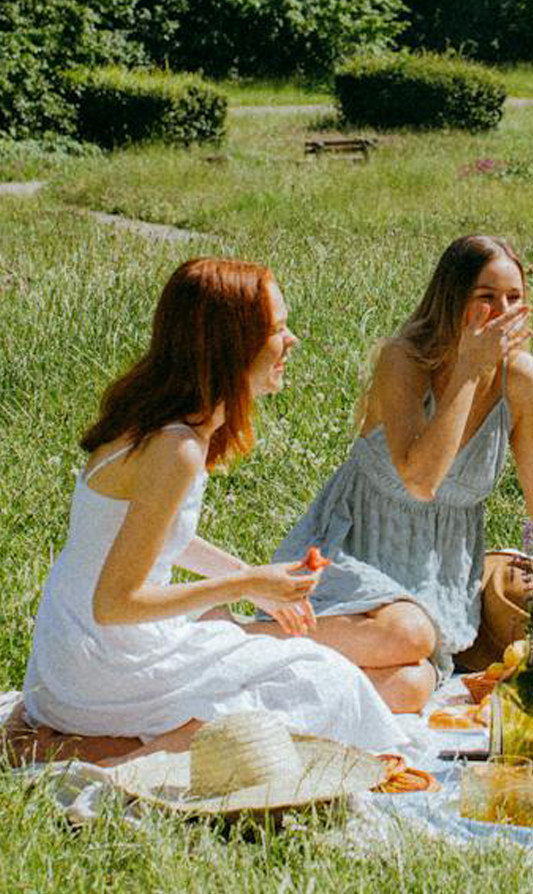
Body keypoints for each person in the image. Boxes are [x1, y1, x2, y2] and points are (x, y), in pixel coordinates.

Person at [21, 258, 402, 761]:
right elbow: (115, 603)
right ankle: (105, 759)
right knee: (321, 679)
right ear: (231, 344)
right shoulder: (175, 447)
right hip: (98, 661)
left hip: (73, 651)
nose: (293, 342)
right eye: (278, 329)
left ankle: (88, 742)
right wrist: (245, 585)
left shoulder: (167, 425)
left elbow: (157, 536)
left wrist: (255, 583)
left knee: (237, 632)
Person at [245, 235, 533, 710]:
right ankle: (245, 638)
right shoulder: (404, 360)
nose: (503, 310)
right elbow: (422, 480)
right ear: (452, 300)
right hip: (357, 552)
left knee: (414, 685)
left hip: (437, 578)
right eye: (486, 297)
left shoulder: (518, 377)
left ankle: (259, 694)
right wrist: (470, 371)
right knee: (406, 637)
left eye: (514, 298)